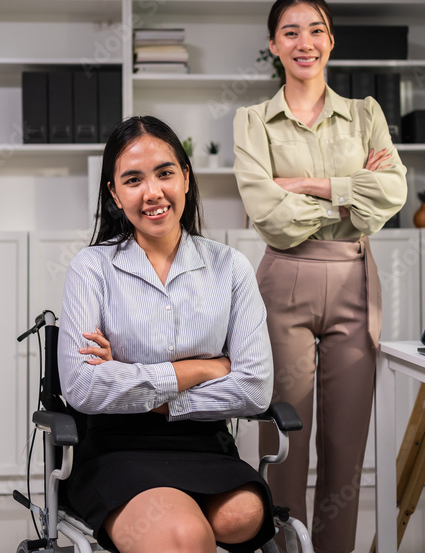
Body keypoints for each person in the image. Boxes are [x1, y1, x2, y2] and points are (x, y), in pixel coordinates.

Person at [233, 0, 407, 553]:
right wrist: (354, 192)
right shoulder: (252, 120)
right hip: (284, 281)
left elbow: (392, 195)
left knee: (346, 447)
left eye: (315, 30)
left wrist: (308, 186)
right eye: (290, 32)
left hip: (356, 282)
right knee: (284, 438)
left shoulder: (365, 115)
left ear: (330, 40)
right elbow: (269, 216)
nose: (304, 42)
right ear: (273, 46)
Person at [57, 115, 276, 553]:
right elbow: (82, 387)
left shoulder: (230, 267)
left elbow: (254, 388)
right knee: (183, 533)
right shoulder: (92, 268)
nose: (152, 192)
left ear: (186, 177)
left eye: (165, 173)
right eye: (133, 179)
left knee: (241, 517)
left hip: (207, 444)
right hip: (116, 447)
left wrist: (141, 385)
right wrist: (203, 368)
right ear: (114, 195)